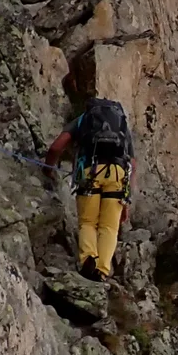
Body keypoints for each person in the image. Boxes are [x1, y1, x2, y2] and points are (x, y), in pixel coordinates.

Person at [44, 94, 134, 282]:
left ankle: (88, 260)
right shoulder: (122, 124)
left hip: (90, 172)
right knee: (109, 227)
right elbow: (132, 161)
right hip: (117, 174)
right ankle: (101, 270)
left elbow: (55, 148)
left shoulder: (83, 119)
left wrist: (49, 168)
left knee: (87, 223)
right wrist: (127, 198)